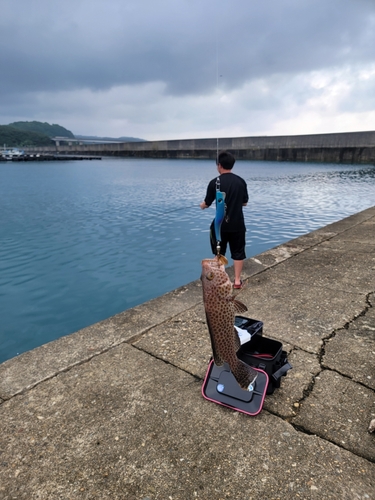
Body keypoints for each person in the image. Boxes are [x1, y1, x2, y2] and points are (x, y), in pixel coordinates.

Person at [200, 150, 248, 289]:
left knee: (219, 252)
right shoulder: (240, 181)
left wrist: (202, 206)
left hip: (220, 226)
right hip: (238, 224)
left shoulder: (214, 182)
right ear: (232, 164)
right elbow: (244, 202)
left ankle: (221, 281)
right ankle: (237, 281)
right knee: (238, 252)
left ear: (219, 165)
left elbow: (207, 203)